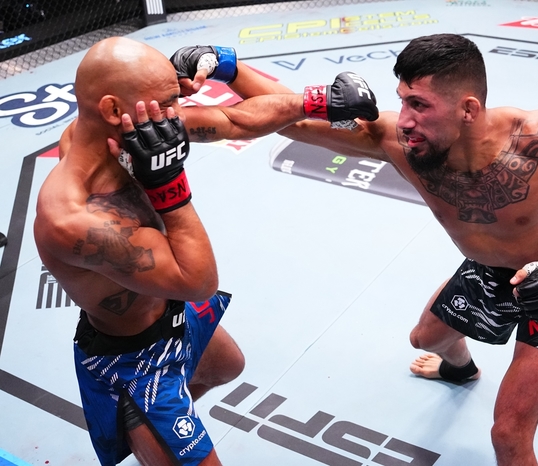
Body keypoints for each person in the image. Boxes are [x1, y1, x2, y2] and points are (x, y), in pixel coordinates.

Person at [170, 34, 538, 465]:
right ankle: (461, 370)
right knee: (425, 340)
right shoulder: (401, 141)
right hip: (484, 270)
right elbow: (292, 121)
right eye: (402, 101)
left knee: (508, 436)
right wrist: (230, 67)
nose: (405, 120)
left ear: (468, 109)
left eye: (419, 105)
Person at [36, 37, 377, 466]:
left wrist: (319, 100)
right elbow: (197, 281)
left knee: (226, 365)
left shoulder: (129, 133)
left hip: (171, 311)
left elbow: (235, 120)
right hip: (134, 357)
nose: (177, 112)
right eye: (167, 102)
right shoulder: (71, 218)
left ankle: (160, 433)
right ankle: (142, 423)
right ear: (111, 108)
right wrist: (168, 184)